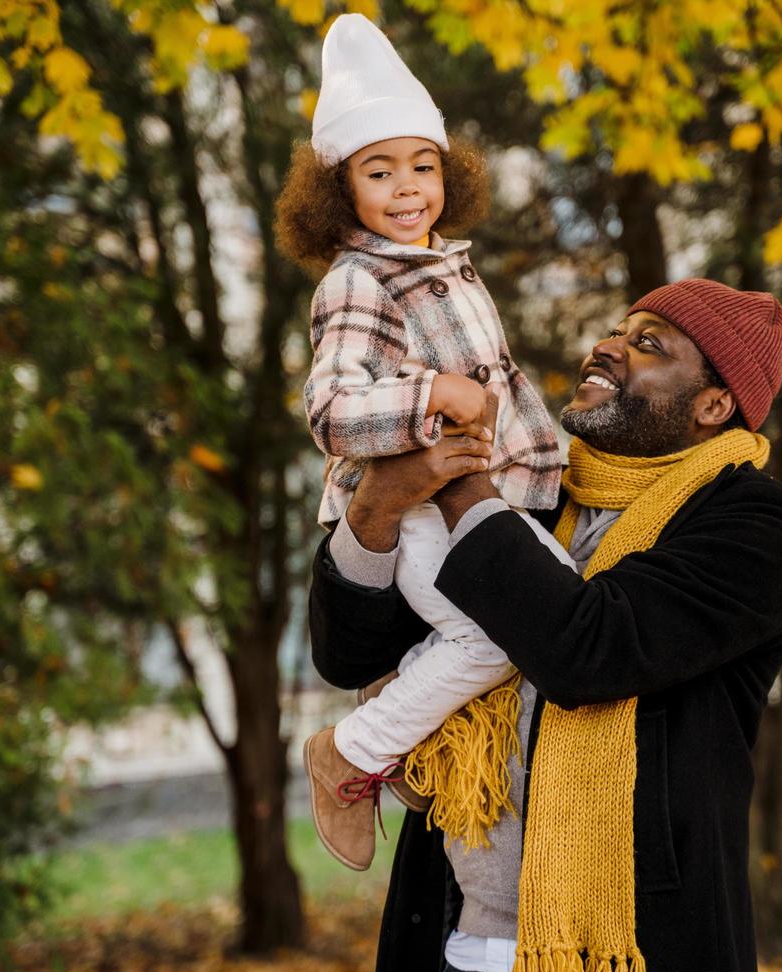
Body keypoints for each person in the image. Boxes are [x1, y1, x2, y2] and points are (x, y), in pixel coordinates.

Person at [309, 278, 782, 972]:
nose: (606, 348)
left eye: (646, 345)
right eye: (617, 330)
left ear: (714, 404)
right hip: (457, 940)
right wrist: (382, 499)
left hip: (632, 951)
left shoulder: (752, 527)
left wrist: (457, 477)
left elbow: (588, 650)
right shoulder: (535, 496)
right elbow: (351, 655)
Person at [275, 14, 568, 873]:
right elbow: (330, 410)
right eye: (379, 171)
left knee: (550, 613)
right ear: (340, 192)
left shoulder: (445, 265)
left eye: (423, 165)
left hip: (482, 503)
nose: (407, 188)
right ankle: (353, 751)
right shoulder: (358, 279)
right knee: (496, 637)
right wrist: (426, 397)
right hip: (417, 520)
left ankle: (401, 720)